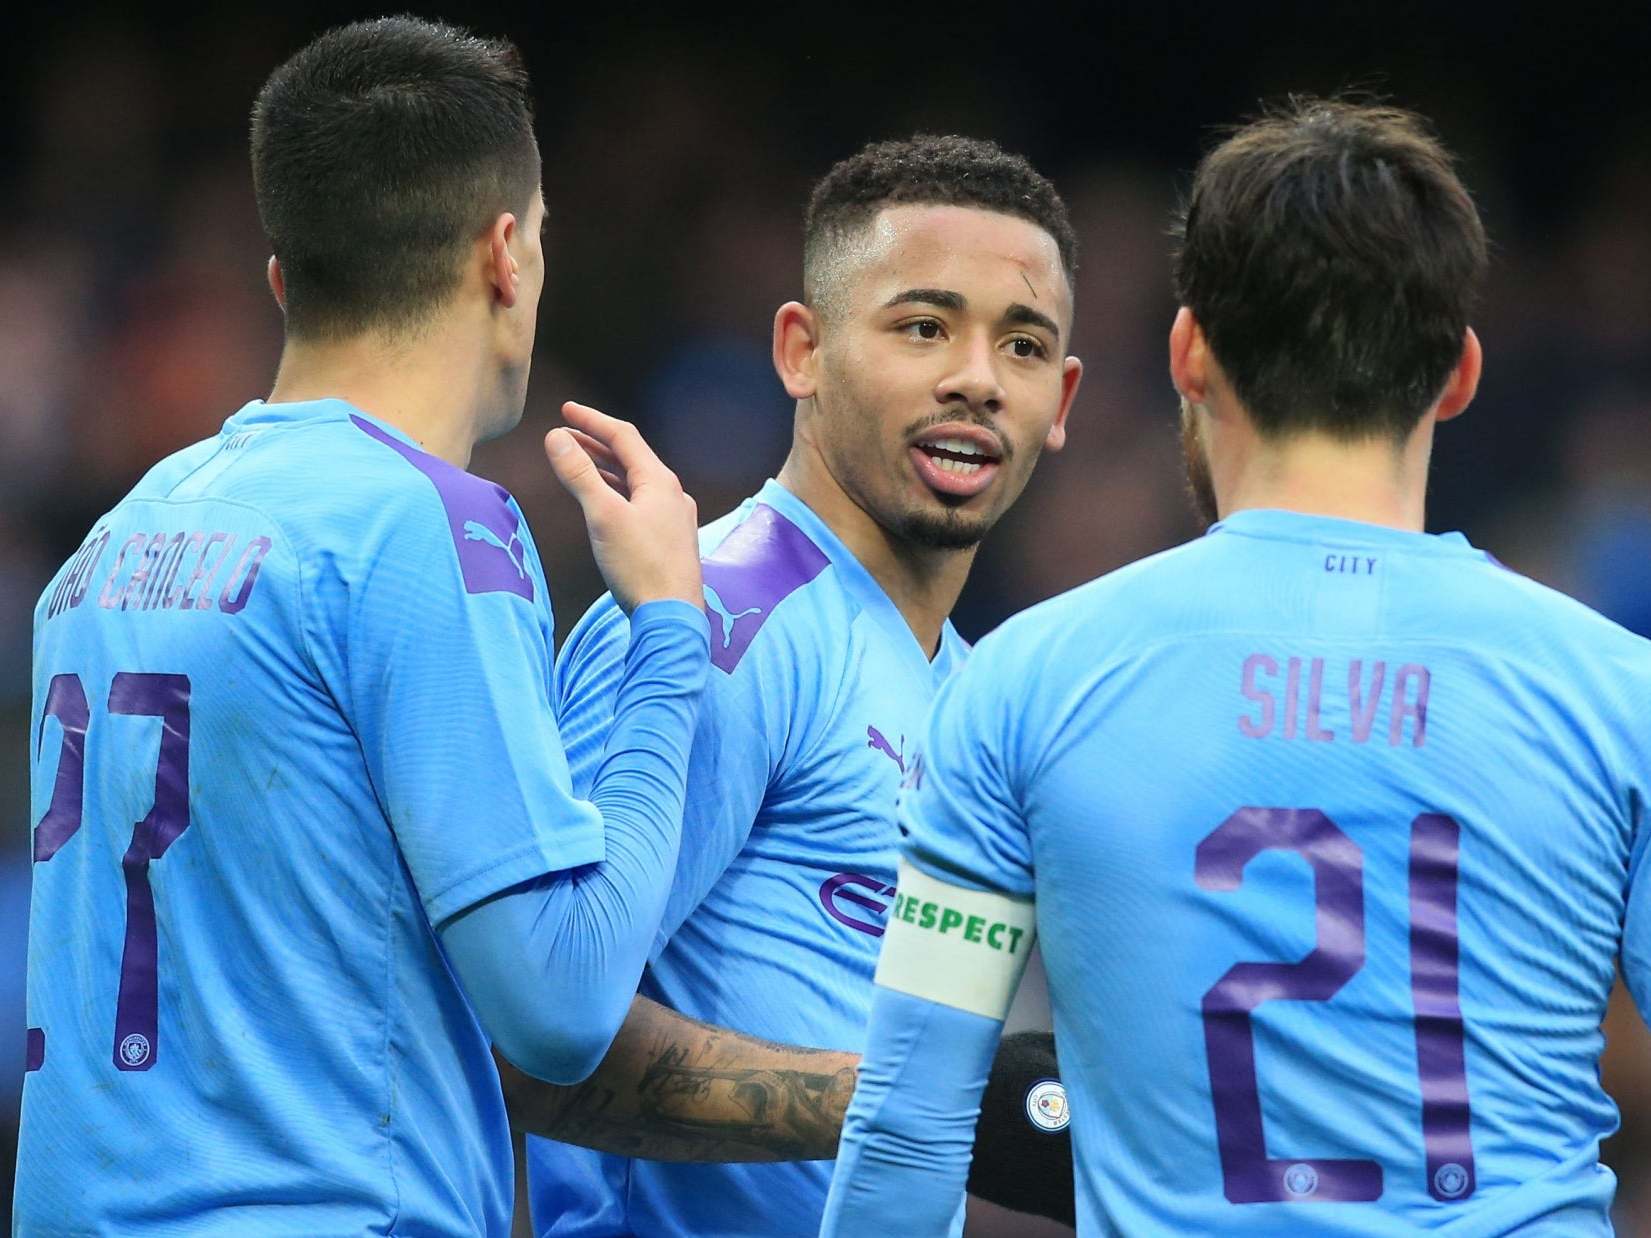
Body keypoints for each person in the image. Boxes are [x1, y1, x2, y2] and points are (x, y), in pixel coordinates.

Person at [822, 97, 1651, 1235]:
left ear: (1188, 353)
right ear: (1458, 372)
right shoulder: (1617, 694)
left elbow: (910, 1124)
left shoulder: (1021, 683)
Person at [16, 18, 712, 1235]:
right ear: (505, 254)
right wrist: (667, 629)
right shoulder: (427, 526)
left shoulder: (106, 545)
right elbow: (560, 1005)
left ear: (282, 281)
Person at [517, 135, 1084, 1237]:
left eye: (1021, 345)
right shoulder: (716, 619)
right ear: (801, 350)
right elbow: (531, 1038)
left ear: (1059, 399)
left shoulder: (978, 693)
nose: (975, 378)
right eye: (923, 327)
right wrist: (931, 1106)